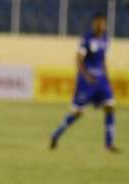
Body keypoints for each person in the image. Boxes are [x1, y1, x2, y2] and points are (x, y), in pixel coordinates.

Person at [50, 13, 120, 152]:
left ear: (105, 25)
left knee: (110, 108)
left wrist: (107, 78)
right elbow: (78, 58)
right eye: (97, 23)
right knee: (77, 113)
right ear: (93, 24)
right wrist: (86, 75)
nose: (100, 25)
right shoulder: (87, 39)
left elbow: (104, 61)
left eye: (102, 23)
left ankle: (109, 144)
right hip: (87, 83)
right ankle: (56, 134)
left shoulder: (106, 40)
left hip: (101, 82)